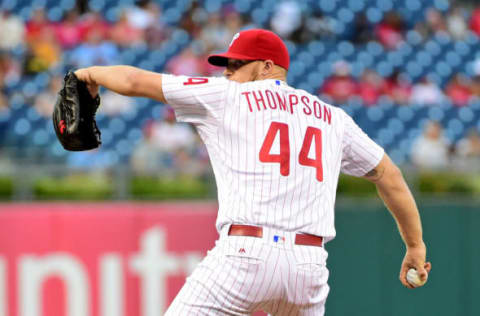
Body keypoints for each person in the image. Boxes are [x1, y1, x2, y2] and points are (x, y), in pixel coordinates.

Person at [74, 28, 431, 315]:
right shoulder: (332, 117)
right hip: (308, 267)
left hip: (245, 255)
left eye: (234, 66)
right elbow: (389, 175)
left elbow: (136, 81)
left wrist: (88, 73)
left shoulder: (226, 97)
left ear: (265, 67)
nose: (226, 74)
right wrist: (415, 244)